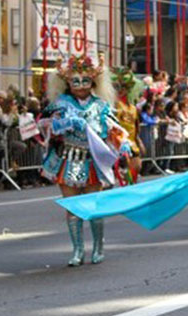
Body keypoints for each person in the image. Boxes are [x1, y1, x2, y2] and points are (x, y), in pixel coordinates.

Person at [39, 53, 132, 266]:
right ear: (67, 83)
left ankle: (98, 248)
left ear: (93, 82)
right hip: (68, 158)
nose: (80, 85)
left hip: (92, 159)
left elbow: (112, 127)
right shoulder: (60, 103)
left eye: (85, 80)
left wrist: (122, 143)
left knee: (93, 206)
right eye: (75, 81)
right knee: (72, 207)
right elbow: (45, 125)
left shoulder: (100, 105)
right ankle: (78, 250)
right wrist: (66, 123)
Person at [112, 66, 146, 182]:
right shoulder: (113, 106)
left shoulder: (133, 108)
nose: (121, 90)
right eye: (117, 87)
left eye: (124, 87)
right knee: (122, 175)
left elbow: (135, 127)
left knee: (136, 167)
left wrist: (139, 141)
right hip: (116, 143)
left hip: (131, 143)